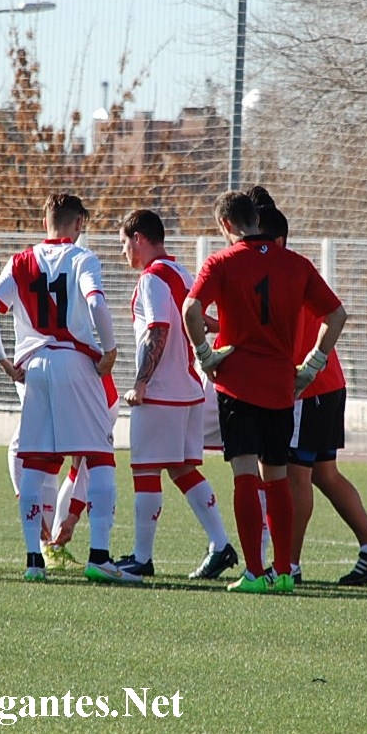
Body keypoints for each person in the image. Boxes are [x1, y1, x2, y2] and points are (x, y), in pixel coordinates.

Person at [182, 190, 348, 594]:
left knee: (244, 475)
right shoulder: (296, 264)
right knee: (277, 476)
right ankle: (285, 570)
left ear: (225, 225)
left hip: (237, 384)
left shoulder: (221, 262)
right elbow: (337, 314)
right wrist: (312, 365)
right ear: (257, 220)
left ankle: (255, 572)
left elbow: (190, 310)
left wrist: (205, 355)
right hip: (281, 385)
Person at [0, 193, 135, 584]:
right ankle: (99, 556)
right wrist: (111, 348)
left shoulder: (20, 261)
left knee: (31, 459)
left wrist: (2, 358)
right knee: (99, 455)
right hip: (75, 361)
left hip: (34, 367)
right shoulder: (83, 258)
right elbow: (96, 302)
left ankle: (34, 559)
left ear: (45, 220)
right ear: (79, 222)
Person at [251, 195, 367, 587]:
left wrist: (303, 368)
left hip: (308, 389)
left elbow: (325, 319)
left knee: (296, 476)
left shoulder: (286, 271)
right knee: (325, 474)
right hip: (327, 385)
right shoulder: (284, 269)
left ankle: (290, 566)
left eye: (253, 235)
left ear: (274, 240)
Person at [113, 208, 239, 580]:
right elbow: (202, 320)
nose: (124, 253)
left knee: (145, 470)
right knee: (183, 469)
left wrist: (141, 382)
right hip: (188, 390)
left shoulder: (152, 278)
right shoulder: (181, 271)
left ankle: (141, 558)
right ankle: (220, 545)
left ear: (138, 239)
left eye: (124, 243)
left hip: (162, 392)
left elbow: (158, 330)